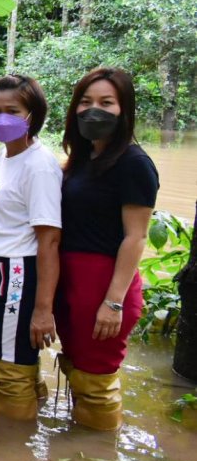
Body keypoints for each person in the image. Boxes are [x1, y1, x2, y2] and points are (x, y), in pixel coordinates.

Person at [56, 68, 158, 430]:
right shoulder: (83, 160)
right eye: (85, 102)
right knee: (79, 370)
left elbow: (136, 237)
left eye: (106, 103)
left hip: (104, 285)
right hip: (72, 282)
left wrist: (113, 302)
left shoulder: (133, 163)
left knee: (96, 380)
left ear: (124, 110)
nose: (93, 110)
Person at [0, 75, 61, 419]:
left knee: (11, 360)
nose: (1, 117)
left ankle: (10, 443)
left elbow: (49, 240)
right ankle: (31, 411)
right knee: (12, 350)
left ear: (32, 115)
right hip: (1, 271)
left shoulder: (39, 166)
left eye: (12, 110)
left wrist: (43, 310)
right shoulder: (6, 152)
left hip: (17, 271)